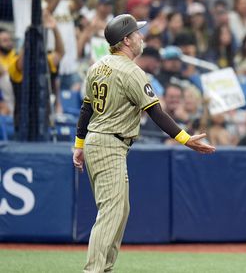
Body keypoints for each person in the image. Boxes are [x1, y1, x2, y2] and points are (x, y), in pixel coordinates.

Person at [72, 14, 215, 273]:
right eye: (136, 33)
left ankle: (104, 269)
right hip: (108, 143)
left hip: (100, 141)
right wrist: (185, 139)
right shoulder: (132, 71)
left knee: (119, 211)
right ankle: (93, 271)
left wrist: (79, 144)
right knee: (111, 213)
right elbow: (156, 112)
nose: (141, 37)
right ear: (126, 40)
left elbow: (86, 109)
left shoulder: (97, 66)